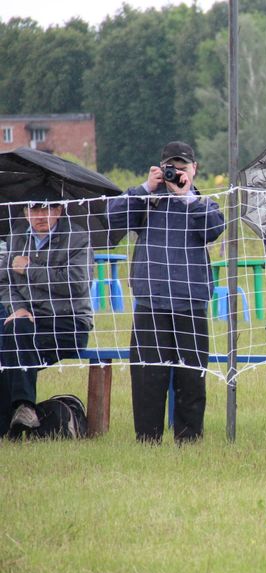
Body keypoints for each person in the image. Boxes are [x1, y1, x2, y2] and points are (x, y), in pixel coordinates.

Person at [107, 141, 225, 443]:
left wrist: (186, 197)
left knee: (191, 376)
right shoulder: (146, 200)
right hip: (151, 299)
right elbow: (113, 219)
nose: (178, 175)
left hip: (191, 299)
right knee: (148, 375)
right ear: (161, 168)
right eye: (172, 169)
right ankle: (147, 439)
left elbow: (214, 228)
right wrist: (146, 188)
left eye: (183, 168)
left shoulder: (203, 203)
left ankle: (189, 439)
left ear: (195, 170)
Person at [0, 186, 92, 437]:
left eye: (49, 207)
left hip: (68, 322)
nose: (41, 214)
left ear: (60, 210)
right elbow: (5, 282)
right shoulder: (16, 237)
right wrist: (18, 308)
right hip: (25, 322)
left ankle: (18, 415)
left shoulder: (78, 238)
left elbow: (76, 283)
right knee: (11, 335)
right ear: (25, 211)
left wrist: (30, 269)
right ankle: (22, 411)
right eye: (35, 208)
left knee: (11, 348)